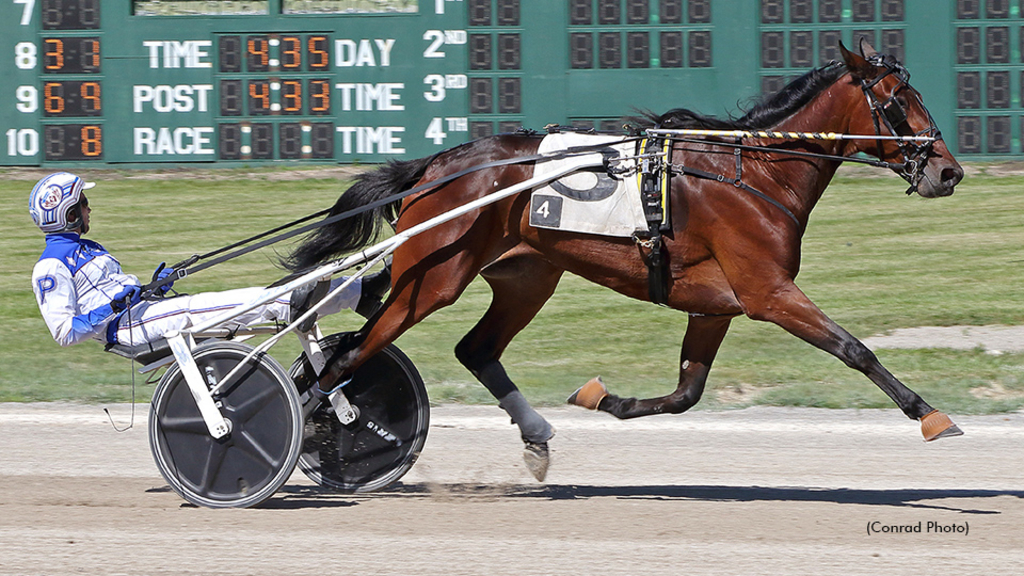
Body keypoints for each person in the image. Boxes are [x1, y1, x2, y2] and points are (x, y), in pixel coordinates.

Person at [29, 172, 388, 348]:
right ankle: (296, 303)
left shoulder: (89, 248)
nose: (90, 208)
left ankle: (359, 292)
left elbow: (119, 292)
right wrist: (117, 304)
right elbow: (65, 333)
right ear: (69, 214)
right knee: (238, 303)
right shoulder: (50, 267)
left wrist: (152, 288)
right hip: (129, 329)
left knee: (239, 299)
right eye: (83, 204)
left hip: (144, 313)